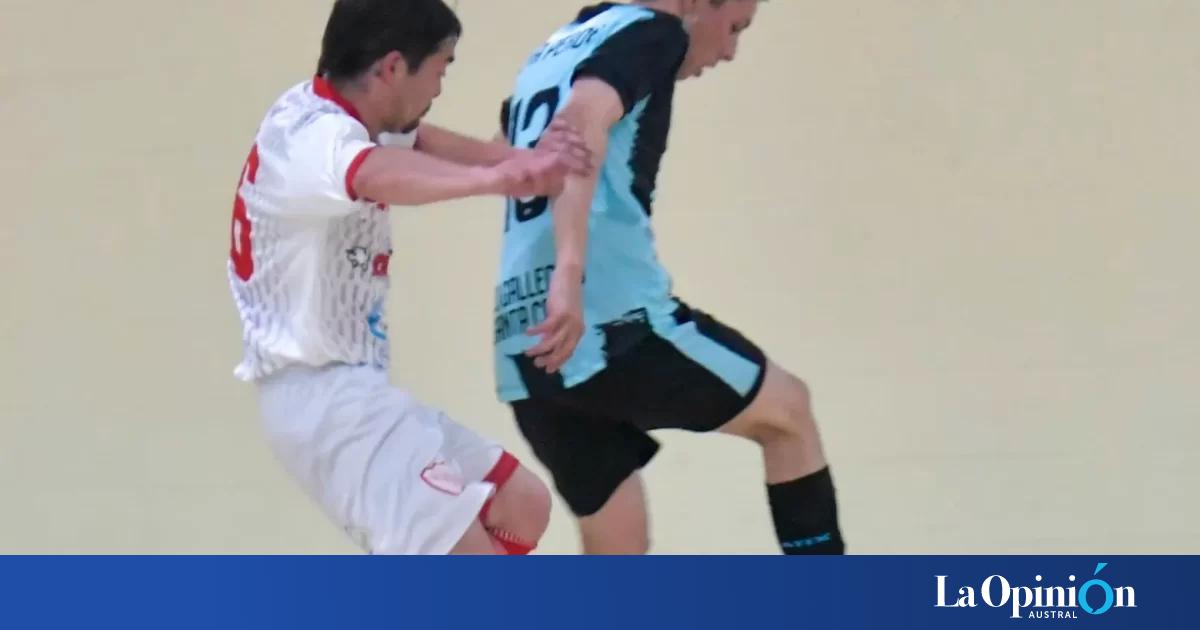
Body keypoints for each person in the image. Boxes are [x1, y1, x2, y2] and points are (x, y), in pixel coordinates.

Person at [228, 0, 591, 555]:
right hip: (324, 403)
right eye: (441, 68)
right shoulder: (312, 136)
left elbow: (420, 143)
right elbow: (378, 174)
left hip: (355, 392)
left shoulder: (347, 119)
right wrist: (498, 177)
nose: (440, 87)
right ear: (393, 68)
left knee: (522, 503)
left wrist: (518, 161)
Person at [493, 0, 846, 554]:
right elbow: (582, 121)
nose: (729, 50)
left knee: (619, 551)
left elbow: (502, 160)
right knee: (788, 415)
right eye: (734, 27)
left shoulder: (561, 43)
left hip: (525, 349)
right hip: (608, 325)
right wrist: (569, 271)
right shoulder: (652, 32)